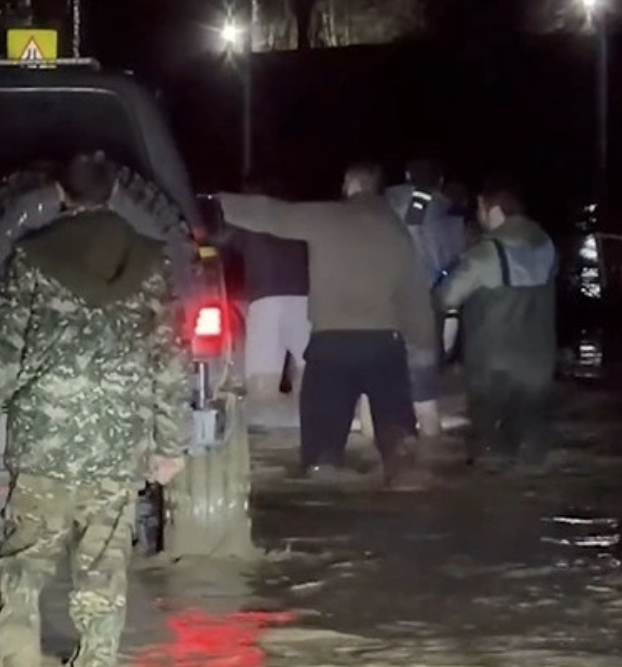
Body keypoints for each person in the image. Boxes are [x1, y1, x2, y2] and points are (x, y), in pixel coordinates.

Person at [0, 152, 193, 667]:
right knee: (104, 565)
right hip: (117, 445)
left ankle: (15, 665)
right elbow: (171, 359)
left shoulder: (30, 257)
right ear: (112, 195)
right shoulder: (151, 260)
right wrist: (170, 445)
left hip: (42, 441)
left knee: (25, 558)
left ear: (61, 194)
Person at [215, 162, 437, 487]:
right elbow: (416, 298)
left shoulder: (329, 217)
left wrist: (215, 203)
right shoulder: (397, 231)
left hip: (331, 347)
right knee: (399, 448)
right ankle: (404, 477)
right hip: (385, 346)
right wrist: (425, 348)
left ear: (350, 184)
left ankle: (326, 483)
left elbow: (275, 215)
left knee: (322, 462)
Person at [435, 177, 556, 466]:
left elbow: (445, 298)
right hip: (538, 363)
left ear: (493, 211)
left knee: (488, 446)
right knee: (530, 442)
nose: (478, 216)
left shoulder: (484, 253)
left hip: (492, 364)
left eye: (480, 209)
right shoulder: (546, 245)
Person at [219, 176, 310, 427]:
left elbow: (220, 239)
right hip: (304, 300)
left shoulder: (247, 220)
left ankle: (269, 428)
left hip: (266, 300)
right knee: (311, 374)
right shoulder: (293, 218)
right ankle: (307, 427)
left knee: (262, 389)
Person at [384, 159, 466, 436]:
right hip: (428, 309)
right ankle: (432, 458)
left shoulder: (383, 207)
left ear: (406, 176)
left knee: (379, 399)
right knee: (426, 399)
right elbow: (457, 265)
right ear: (440, 182)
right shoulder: (452, 220)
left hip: (385, 309)